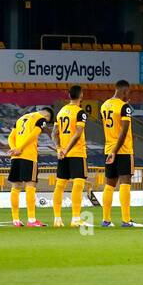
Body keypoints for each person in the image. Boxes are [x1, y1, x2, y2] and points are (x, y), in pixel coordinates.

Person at [7, 106, 52, 227]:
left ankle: (15, 219)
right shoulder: (41, 118)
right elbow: (35, 134)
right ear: (47, 116)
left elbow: (11, 136)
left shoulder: (21, 118)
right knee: (30, 185)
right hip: (28, 155)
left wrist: (14, 149)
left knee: (15, 186)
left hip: (15, 156)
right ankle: (31, 219)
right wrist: (21, 148)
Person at [51, 84, 88, 228]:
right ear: (81, 96)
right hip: (76, 152)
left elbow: (54, 133)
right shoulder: (80, 112)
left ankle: (57, 219)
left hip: (62, 154)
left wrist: (59, 148)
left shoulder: (60, 112)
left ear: (69, 96)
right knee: (78, 184)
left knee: (60, 185)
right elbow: (78, 133)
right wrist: (66, 149)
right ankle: (75, 218)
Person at [100, 80, 135, 227]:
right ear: (125, 91)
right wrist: (115, 150)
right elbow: (124, 130)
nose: (129, 95)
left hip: (108, 148)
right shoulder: (124, 107)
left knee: (109, 184)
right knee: (125, 182)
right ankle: (126, 220)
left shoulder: (104, 105)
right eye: (129, 92)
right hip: (122, 150)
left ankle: (106, 220)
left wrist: (111, 150)